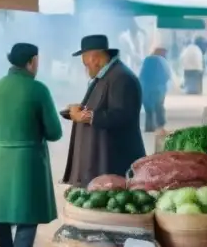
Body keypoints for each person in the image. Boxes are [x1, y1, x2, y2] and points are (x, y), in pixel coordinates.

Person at [0, 43, 62, 247]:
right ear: (32, 61)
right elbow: (55, 132)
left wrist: (4, 137)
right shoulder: (38, 89)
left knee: (2, 212)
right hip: (29, 160)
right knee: (28, 215)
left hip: (2, 156)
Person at [61, 35, 146, 187]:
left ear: (94, 58)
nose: (85, 67)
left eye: (85, 63)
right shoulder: (109, 74)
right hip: (104, 158)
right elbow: (104, 106)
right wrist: (82, 109)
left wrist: (85, 116)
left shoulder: (122, 78)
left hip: (116, 160)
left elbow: (122, 115)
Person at [139, 48, 172, 132]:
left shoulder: (147, 60)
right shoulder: (162, 62)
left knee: (149, 109)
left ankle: (149, 127)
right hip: (158, 89)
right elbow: (167, 75)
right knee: (159, 106)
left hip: (146, 89)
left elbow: (141, 75)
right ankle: (160, 125)